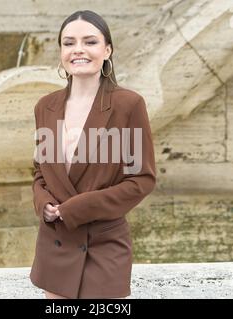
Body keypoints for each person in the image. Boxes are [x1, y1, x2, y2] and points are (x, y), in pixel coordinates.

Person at [30, 10, 156, 299]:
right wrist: (44, 203)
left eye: (90, 41)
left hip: (105, 245)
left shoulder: (128, 105)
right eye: (69, 42)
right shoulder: (44, 107)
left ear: (107, 50)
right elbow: (40, 171)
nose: (78, 50)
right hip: (55, 243)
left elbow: (141, 180)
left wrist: (78, 207)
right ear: (61, 51)